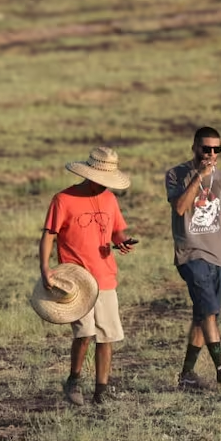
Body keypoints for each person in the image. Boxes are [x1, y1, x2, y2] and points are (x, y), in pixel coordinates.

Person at [39, 147, 136, 407]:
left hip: (105, 277)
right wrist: (45, 269)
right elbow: (49, 234)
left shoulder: (109, 200)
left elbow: (117, 231)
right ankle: (74, 379)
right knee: (84, 333)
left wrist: (123, 241)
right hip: (77, 280)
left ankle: (100, 391)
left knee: (107, 336)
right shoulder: (63, 199)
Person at [166, 126, 221, 390]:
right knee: (209, 312)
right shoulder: (176, 174)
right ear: (194, 148)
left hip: (219, 256)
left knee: (203, 314)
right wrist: (199, 176)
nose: (211, 154)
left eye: (216, 149)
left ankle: (187, 375)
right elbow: (180, 208)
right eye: (206, 148)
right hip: (191, 254)